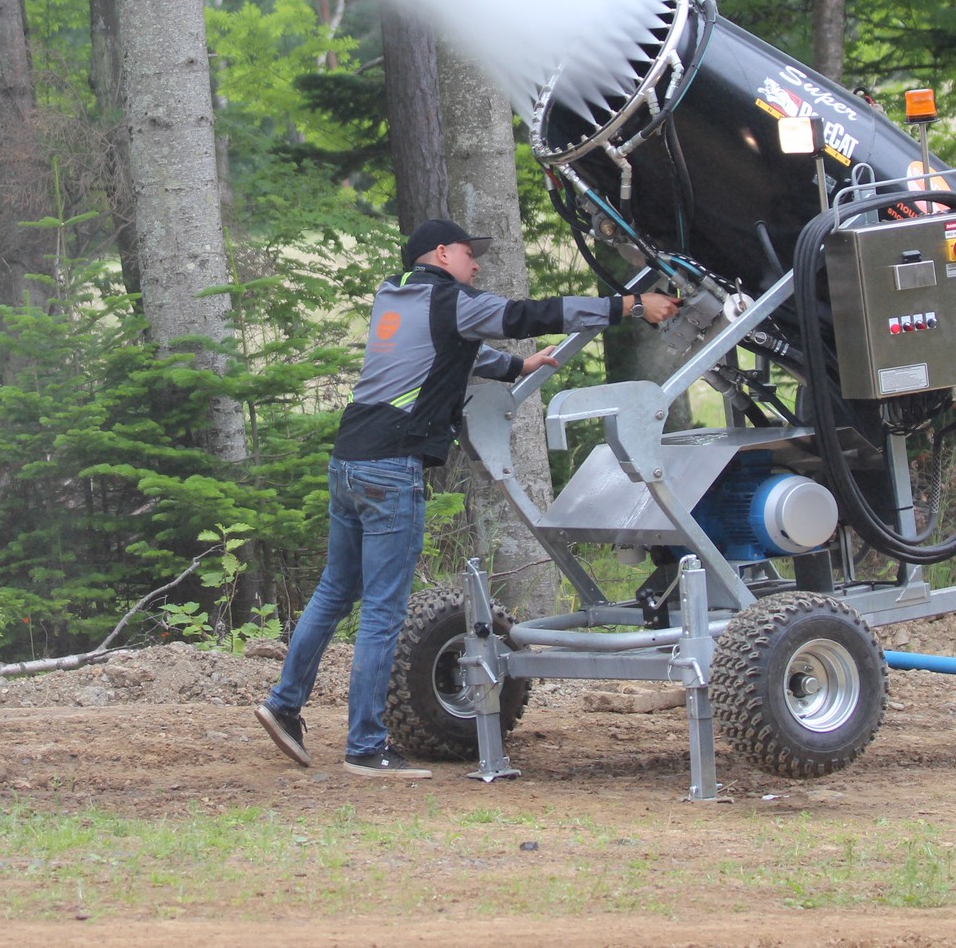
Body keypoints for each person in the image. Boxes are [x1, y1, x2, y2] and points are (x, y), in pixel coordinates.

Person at [254, 217, 681, 777]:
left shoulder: (395, 298)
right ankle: (365, 746)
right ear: (440, 253)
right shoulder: (450, 299)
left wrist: (515, 367)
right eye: (467, 253)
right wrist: (627, 306)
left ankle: (284, 705)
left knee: (336, 590)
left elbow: (447, 353)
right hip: (391, 467)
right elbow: (525, 314)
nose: (475, 263)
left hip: (349, 461)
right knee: (383, 610)